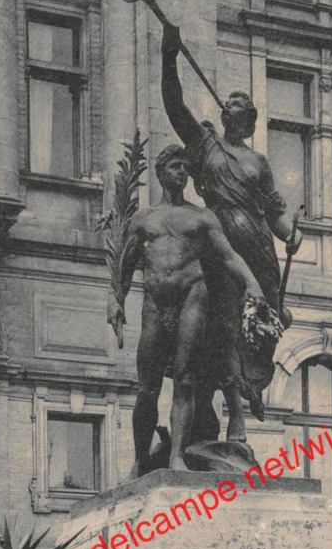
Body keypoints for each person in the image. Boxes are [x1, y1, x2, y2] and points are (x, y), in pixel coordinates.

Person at [161, 21, 302, 418]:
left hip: (259, 246)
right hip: (220, 246)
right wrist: (168, 57)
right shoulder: (205, 146)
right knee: (222, 325)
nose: (229, 105)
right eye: (228, 102)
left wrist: (292, 236)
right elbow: (175, 106)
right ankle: (228, 400)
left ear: (247, 119)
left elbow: (274, 213)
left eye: (237, 104)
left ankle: (252, 386)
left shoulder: (257, 161)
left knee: (263, 321)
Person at [106, 144, 266, 474]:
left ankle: (177, 455)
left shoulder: (202, 218)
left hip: (193, 298)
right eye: (175, 166)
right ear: (161, 172)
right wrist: (115, 300)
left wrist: (252, 284)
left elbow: (228, 256)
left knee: (185, 379)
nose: (182, 171)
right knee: (147, 388)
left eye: (185, 166)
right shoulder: (144, 219)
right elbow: (125, 264)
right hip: (154, 305)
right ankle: (139, 458)